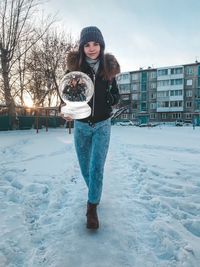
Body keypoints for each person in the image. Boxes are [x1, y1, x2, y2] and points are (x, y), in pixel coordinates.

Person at [63, 26, 120, 229]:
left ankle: (92, 208)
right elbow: (68, 94)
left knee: (97, 167)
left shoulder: (109, 68)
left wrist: (111, 98)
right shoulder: (74, 68)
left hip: (103, 124)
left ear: (101, 45)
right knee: (86, 167)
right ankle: (94, 191)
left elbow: (116, 95)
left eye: (95, 44)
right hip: (81, 125)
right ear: (82, 47)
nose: (92, 48)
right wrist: (68, 109)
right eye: (87, 44)